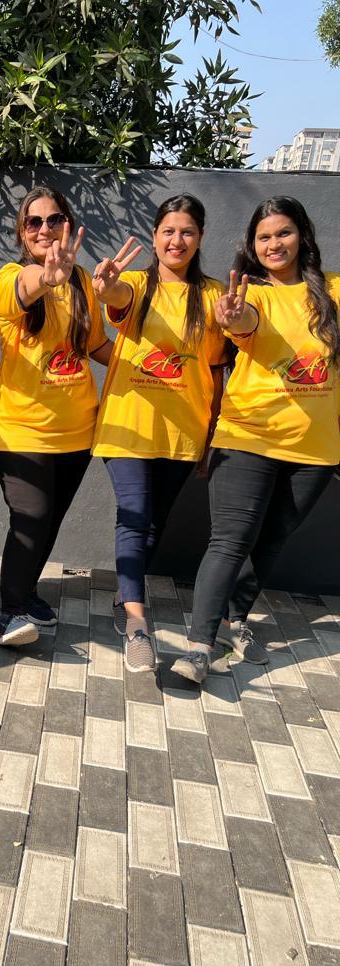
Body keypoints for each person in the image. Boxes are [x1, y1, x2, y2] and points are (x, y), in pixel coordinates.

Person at [173, 196, 340, 683]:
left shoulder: (332, 290)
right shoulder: (251, 295)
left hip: (315, 446)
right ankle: (200, 647)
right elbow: (245, 323)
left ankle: (236, 618)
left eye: (283, 233)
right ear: (253, 244)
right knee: (230, 541)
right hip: (248, 436)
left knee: (273, 538)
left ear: (302, 235)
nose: (274, 244)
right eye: (264, 237)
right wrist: (234, 316)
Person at [92, 195, 229, 673]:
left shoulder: (213, 296)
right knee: (133, 518)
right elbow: (117, 300)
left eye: (187, 231)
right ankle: (137, 625)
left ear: (200, 238)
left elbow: (217, 370)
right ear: (154, 237)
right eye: (168, 231)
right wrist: (107, 287)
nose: (177, 240)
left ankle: (124, 596)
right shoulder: (134, 284)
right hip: (129, 424)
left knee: (153, 524)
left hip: (184, 430)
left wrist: (211, 434)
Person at [0, 186, 110, 645]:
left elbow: (96, 344)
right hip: (20, 429)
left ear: (68, 224)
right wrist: (48, 277)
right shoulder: (10, 277)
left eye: (53, 219)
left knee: (49, 522)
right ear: (22, 232)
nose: (44, 229)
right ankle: (9, 614)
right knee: (32, 517)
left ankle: (27, 591)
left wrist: (140, 363)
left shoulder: (82, 282)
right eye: (33, 222)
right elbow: (22, 292)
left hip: (76, 429)